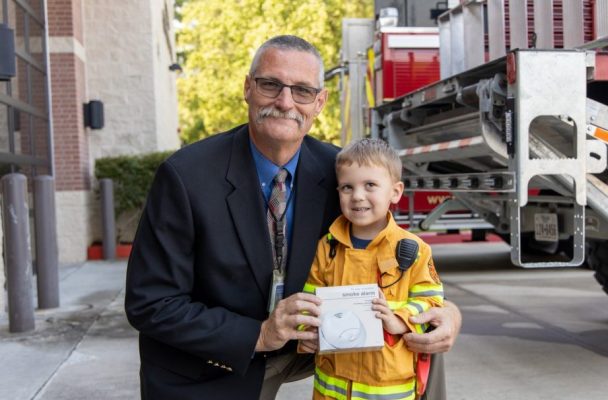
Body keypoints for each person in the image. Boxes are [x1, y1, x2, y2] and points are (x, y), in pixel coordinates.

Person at [125, 35, 461, 400]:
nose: (285, 102)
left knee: (421, 340)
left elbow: (394, 251)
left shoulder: (342, 174)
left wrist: (448, 313)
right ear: (248, 88)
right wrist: (260, 334)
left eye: (302, 90)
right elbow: (151, 302)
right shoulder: (186, 177)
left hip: (317, 343)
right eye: (271, 85)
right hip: (225, 355)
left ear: (319, 102)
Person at [299, 138, 444, 400]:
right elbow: (309, 298)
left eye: (370, 185)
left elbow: (431, 301)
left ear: (395, 191)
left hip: (388, 386)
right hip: (331, 387)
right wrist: (306, 334)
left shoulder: (414, 249)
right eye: (347, 187)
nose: (357, 196)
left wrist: (399, 319)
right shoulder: (326, 246)